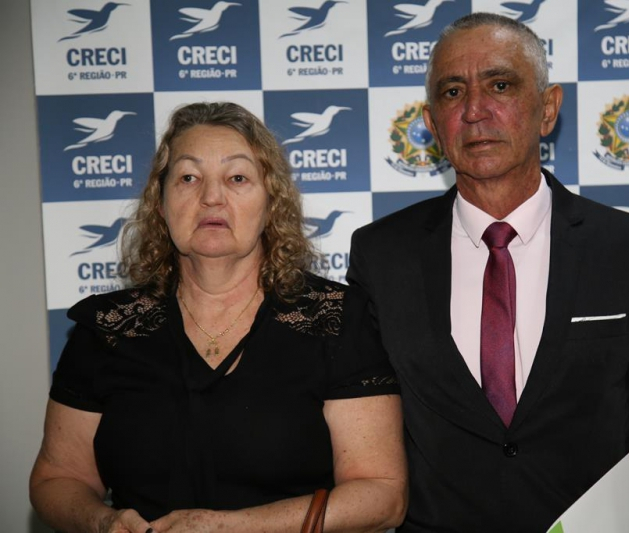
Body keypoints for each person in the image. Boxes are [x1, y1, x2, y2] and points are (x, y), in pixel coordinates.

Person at [346, 13, 629, 533]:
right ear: (432, 123)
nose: (475, 110)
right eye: (453, 92)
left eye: (500, 85)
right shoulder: (381, 255)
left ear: (548, 109)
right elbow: (367, 442)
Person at [30, 102, 407, 533]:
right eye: (188, 178)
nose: (211, 197)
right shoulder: (107, 327)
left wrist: (231, 527)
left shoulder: (337, 318)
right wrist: (103, 522)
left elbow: (383, 495)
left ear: (271, 203)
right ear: (160, 203)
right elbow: (57, 479)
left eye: (237, 178)